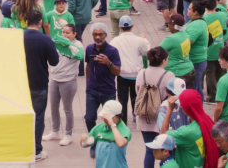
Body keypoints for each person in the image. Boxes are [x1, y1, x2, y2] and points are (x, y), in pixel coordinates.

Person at [21, 8, 59, 161]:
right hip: (39, 84)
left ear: (26, 22)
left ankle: (22, 146)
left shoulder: (18, 37)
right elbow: (54, 62)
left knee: (23, 116)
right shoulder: (45, 40)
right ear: (41, 23)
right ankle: (36, 150)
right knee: (38, 117)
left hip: (21, 84)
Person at [43, 23, 84, 147]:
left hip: (68, 80)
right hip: (54, 78)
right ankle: (55, 131)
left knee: (67, 109)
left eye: (68, 33)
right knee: (53, 107)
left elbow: (79, 55)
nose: (65, 35)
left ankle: (68, 134)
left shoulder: (78, 45)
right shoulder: (58, 43)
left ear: (74, 34)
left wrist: (69, 45)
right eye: (63, 32)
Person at [85, 23, 122, 158]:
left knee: (111, 120)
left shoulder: (112, 51)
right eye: (95, 34)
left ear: (105, 35)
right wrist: (87, 84)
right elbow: (88, 66)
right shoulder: (89, 49)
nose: (98, 37)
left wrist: (108, 63)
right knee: (89, 118)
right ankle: (94, 142)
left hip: (108, 91)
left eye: (100, 34)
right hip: (92, 91)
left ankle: (110, 141)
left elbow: (117, 72)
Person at [136, 47, 175, 168]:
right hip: (163, 117)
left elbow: (137, 91)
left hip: (144, 116)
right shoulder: (168, 75)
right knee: (167, 149)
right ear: (163, 60)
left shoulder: (141, 73)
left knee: (149, 150)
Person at [162, 89, 220, 168]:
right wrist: (183, 96)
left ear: (186, 108)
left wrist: (170, 109)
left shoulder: (186, 132)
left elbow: (163, 135)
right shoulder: (207, 121)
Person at [111, 16, 151, 124]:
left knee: (122, 98)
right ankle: (136, 115)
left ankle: (123, 121)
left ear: (119, 27)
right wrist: (145, 39)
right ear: (132, 26)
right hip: (136, 74)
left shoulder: (115, 41)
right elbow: (146, 52)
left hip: (121, 74)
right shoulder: (139, 40)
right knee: (136, 96)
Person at [80, 100, 131, 168]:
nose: (105, 120)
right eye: (104, 117)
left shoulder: (124, 130)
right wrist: (83, 139)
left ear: (116, 116)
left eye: (108, 117)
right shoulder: (98, 128)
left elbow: (121, 143)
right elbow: (84, 144)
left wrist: (112, 125)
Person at [203, 0, 228, 103]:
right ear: (216, 4)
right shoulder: (222, 15)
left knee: (210, 72)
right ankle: (222, 93)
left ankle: (212, 96)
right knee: (220, 71)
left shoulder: (203, 18)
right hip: (220, 47)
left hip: (208, 50)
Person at [159, 14, 196, 88]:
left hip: (177, 74)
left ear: (174, 26)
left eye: (169, 23)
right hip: (189, 70)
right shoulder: (185, 34)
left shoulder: (171, 39)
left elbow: (156, 52)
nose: (168, 25)